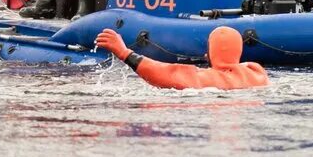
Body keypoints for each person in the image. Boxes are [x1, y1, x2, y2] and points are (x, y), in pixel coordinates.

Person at [95, 27, 269, 90]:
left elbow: (166, 74)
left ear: (210, 53)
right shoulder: (256, 73)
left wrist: (125, 53)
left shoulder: (207, 78)